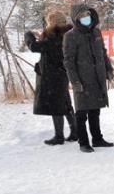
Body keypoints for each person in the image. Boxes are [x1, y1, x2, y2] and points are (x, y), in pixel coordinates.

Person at [63, 5, 114, 153]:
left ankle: (97, 139)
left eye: (87, 14)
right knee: (81, 113)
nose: (86, 18)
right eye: (82, 16)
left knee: (95, 110)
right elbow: (68, 61)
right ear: (76, 18)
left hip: (97, 77)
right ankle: (83, 142)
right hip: (82, 79)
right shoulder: (70, 36)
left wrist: (108, 69)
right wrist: (75, 81)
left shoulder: (96, 32)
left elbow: (103, 53)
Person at [24, 11, 77, 145]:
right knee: (65, 104)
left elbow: (34, 47)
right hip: (62, 74)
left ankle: (59, 136)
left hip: (52, 76)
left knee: (56, 106)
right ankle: (75, 132)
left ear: (52, 23)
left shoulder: (53, 37)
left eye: (48, 22)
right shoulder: (67, 35)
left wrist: (28, 36)